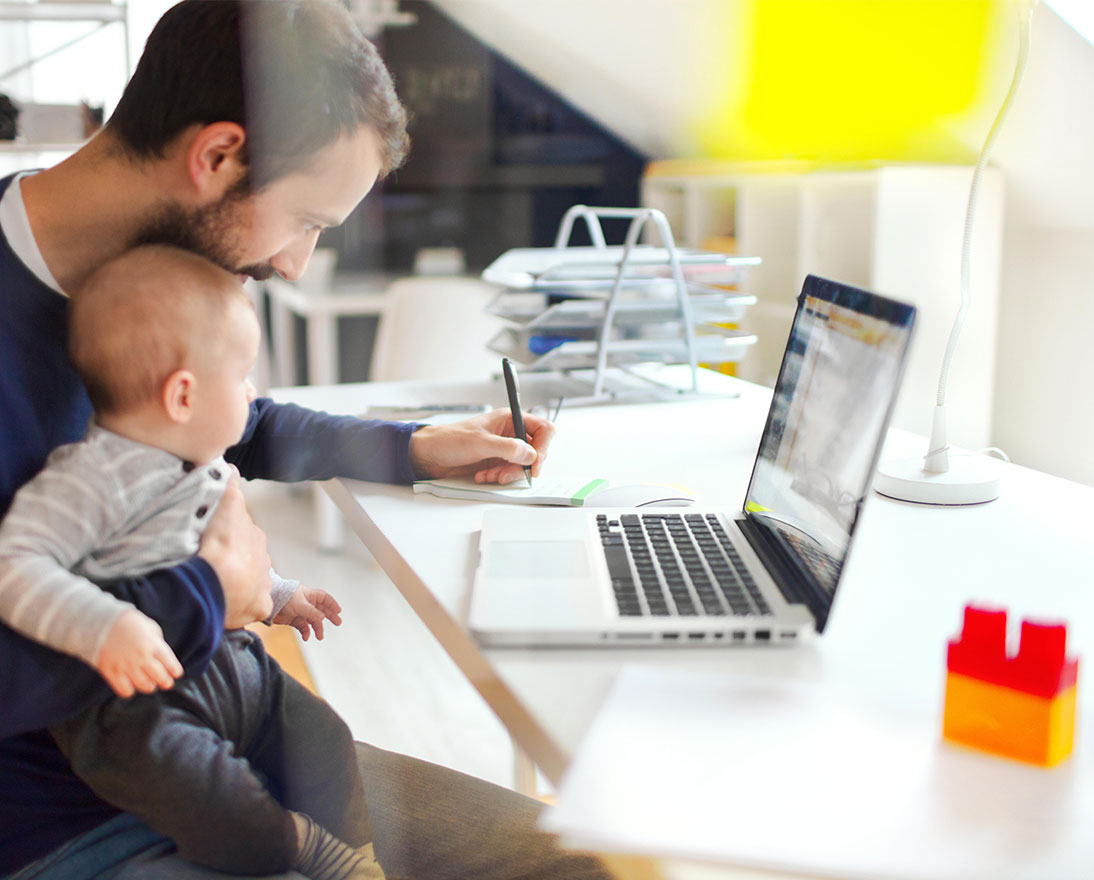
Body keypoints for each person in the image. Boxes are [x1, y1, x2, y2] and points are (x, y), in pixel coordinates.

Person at [0, 1, 607, 878]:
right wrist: (211, 590)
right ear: (216, 156)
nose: (295, 264)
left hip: (224, 726)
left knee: (584, 862)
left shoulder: (145, 289)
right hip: (72, 821)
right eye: (307, 220)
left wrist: (410, 447)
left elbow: (244, 424)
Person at [0, 245, 385, 880]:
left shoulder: (202, 458)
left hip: (230, 665)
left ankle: (356, 857)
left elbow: (221, 559)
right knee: (218, 808)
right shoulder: (90, 479)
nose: (253, 392)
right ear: (182, 394)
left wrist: (279, 592)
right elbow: (17, 565)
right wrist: (105, 626)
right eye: (242, 377)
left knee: (322, 739)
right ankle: (295, 847)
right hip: (138, 708)